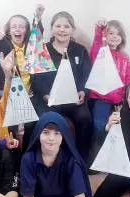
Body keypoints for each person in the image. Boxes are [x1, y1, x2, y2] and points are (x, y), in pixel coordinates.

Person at [32, 11, 92, 160]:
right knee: (43, 119)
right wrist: (46, 95)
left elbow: (86, 75)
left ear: (72, 30)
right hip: (49, 100)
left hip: (74, 100)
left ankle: (80, 160)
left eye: (66, 26)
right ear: (52, 28)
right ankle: (41, 159)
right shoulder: (43, 50)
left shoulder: (80, 50)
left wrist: (82, 92)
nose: (62, 30)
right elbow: (36, 77)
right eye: (58, 26)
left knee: (84, 118)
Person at [20, 111, 97, 197]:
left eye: (57, 133)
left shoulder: (71, 161)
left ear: (63, 136)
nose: (51, 138)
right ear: (38, 135)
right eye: (46, 133)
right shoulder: (28, 159)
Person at [0, 4, 45, 152]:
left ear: (27, 31)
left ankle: (28, 153)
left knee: (31, 126)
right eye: (13, 27)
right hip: (10, 94)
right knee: (11, 127)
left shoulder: (31, 46)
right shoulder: (4, 46)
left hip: (30, 94)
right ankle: (13, 155)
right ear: (8, 31)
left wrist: (37, 17)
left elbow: (38, 33)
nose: (17, 29)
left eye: (22, 27)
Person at [89, 18, 130, 137]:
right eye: (111, 33)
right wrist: (100, 29)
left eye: (118, 33)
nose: (115, 36)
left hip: (120, 100)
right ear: (105, 35)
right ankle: (96, 149)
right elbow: (97, 41)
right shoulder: (101, 51)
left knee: (123, 126)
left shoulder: (124, 56)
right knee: (99, 124)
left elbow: (129, 76)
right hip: (101, 99)